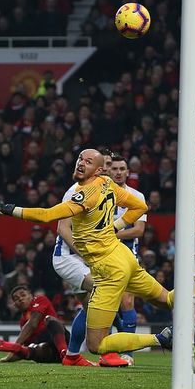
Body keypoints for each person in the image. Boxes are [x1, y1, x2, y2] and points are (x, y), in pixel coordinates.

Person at [0, 148, 195, 356]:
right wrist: (117, 226)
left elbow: (47, 216)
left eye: (88, 161)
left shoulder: (83, 195)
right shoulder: (108, 184)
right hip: (124, 257)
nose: (81, 163)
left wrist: (7, 208)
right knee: (168, 299)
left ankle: (160, 338)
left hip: (109, 269)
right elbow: (141, 206)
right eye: (80, 158)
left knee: (97, 344)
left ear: (98, 169)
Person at [52, 149, 125, 367]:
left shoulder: (104, 191)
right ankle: (109, 352)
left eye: (113, 165)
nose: (111, 169)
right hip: (68, 257)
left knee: (89, 308)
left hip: (84, 260)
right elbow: (62, 228)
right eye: (108, 165)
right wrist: (88, 253)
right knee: (106, 292)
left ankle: (72, 355)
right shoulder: (76, 191)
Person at [109, 154, 147, 365]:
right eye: (114, 168)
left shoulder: (137, 196)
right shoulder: (98, 194)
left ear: (127, 171)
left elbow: (139, 230)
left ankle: (128, 353)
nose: (118, 172)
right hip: (101, 254)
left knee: (127, 301)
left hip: (126, 255)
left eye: (122, 168)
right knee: (103, 304)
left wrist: (111, 234)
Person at [0, 284, 75, 364]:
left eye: (23, 295)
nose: (20, 299)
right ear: (15, 305)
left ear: (30, 295)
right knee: (35, 347)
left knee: (50, 320)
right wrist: (7, 359)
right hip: (49, 354)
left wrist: (13, 347)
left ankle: (64, 352)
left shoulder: (40, 299)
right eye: (16, 299)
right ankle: (63, 357)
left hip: (63, 342)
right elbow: (24, 350)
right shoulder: (22, 322)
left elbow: (32, 324)